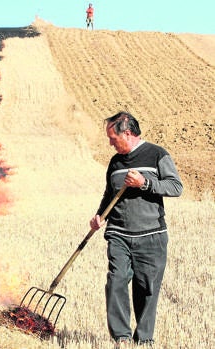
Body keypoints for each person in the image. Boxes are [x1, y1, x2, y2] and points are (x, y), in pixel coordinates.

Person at [89, 112, 183, 346]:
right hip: (119, 233)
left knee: (147, 289)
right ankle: (121, 337)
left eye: (113, 138)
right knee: (116, 281)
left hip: (151, 234)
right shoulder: (115, 162)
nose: (110, 143)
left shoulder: (157, 154)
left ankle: (144, 339)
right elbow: (109, 194)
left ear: (128, 133)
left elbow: (175, 186)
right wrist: (101, 215)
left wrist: (145, 183)